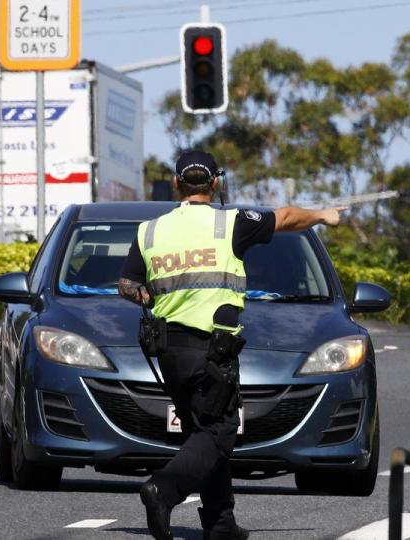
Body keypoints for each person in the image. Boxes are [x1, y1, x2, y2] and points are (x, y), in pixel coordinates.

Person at [118, 150, 346, 540]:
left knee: (201, 433)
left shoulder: (149, 231)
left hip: (168, 350)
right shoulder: (230, 223)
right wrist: (324, 215)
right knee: (220, 433)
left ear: (177, 184)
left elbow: (126, 285)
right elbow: (287, 218)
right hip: (211, 348)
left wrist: (145, 295)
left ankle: (220, 523)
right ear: (215, 184)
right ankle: (164, 489)